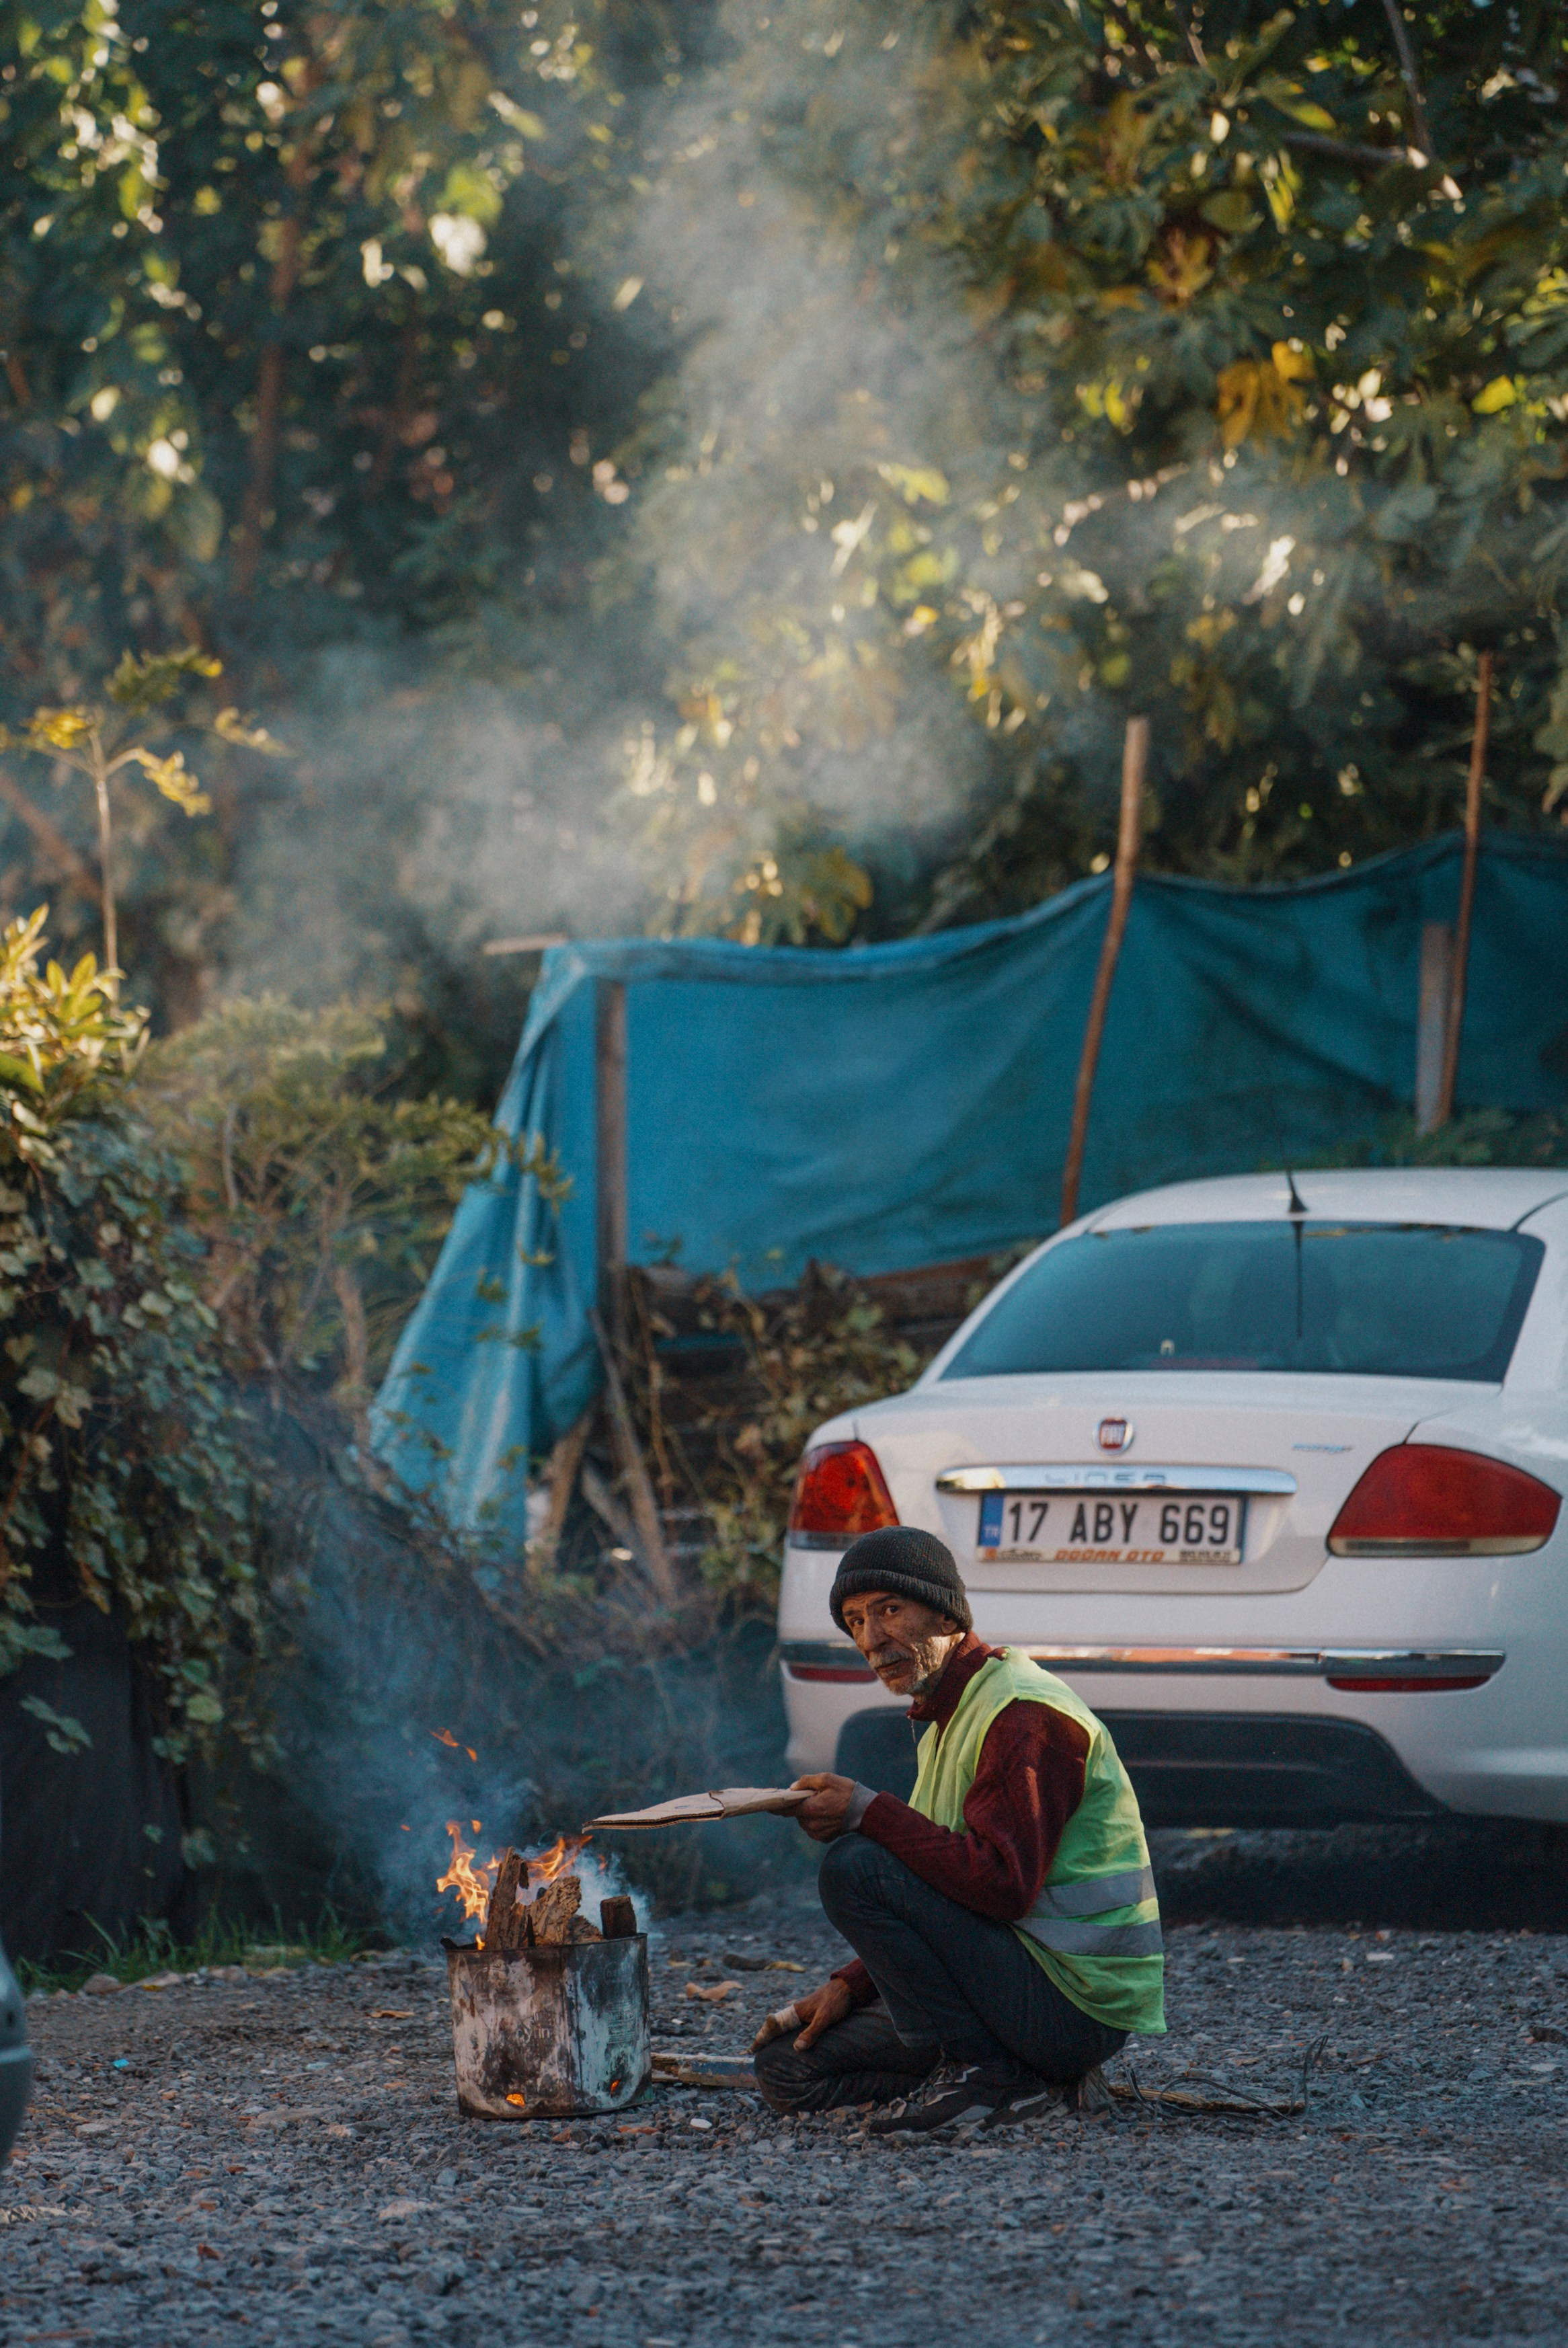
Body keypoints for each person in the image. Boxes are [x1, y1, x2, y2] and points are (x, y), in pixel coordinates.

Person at [752, 1524, 1165, 2131]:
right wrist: (851, 1986)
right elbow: (937, 1891)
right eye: (856, 1621)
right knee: (786, 2067)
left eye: (890, 1610)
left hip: (1073, 2007)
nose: (873, 1638)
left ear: (946, 1615)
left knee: (854, 1865)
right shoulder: (949, 1718)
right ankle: (1018, 2080)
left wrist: (868, 1811)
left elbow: (1002, 1887)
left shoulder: (1022, 1713)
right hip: (1008, 1987)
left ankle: (992, 2076)